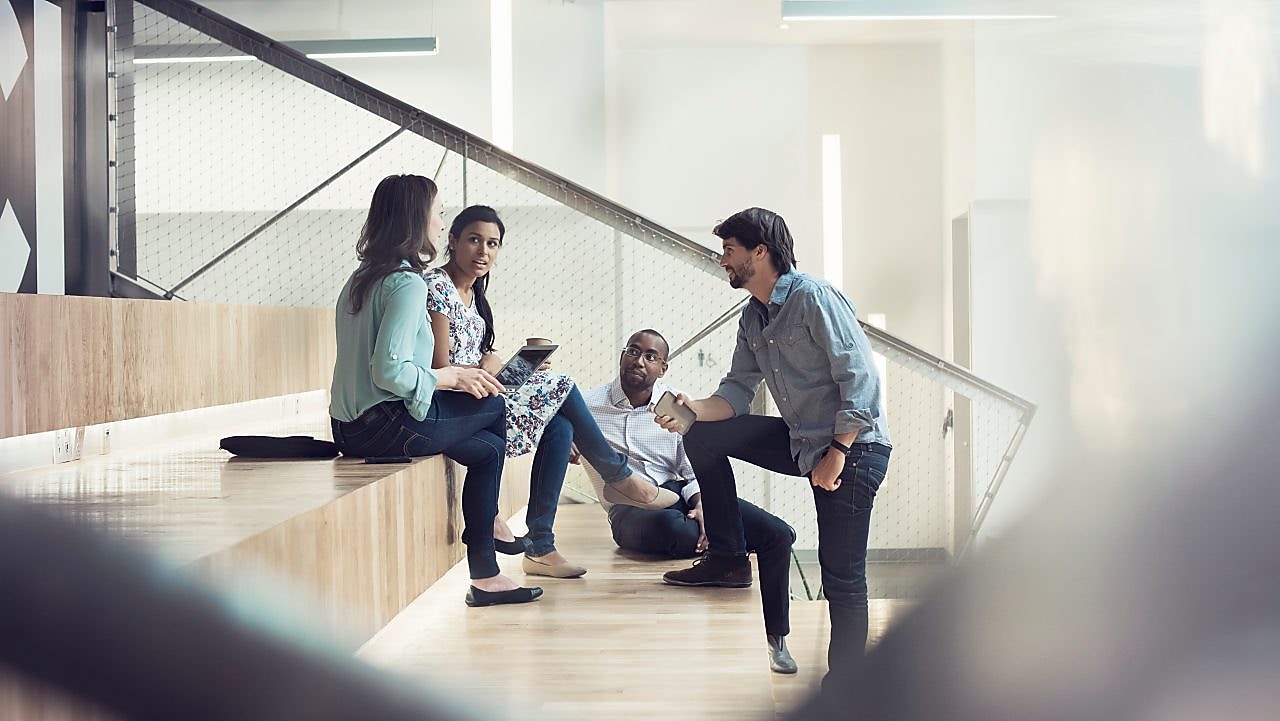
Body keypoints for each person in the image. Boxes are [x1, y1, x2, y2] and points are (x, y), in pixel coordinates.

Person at [657, 207, 892, 685]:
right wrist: (691, 407)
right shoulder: (753, 316)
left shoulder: (814, 298)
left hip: (855, 449)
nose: (722, 260)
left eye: (729, 251)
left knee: (842, 576)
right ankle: (727, 556)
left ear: (759, 252)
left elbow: (862, 380)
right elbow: (736, 394)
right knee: (698, 433)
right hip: (803, 441)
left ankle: (845, 691)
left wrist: (839, 453)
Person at [424, 205, 678, 579]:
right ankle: (621, 478)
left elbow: (478, 359)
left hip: (481, 395)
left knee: (561, 426)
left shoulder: (474, 295)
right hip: (451, 404)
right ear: (453, 240)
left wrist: (516, 368)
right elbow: (440, 367)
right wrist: (488, 368)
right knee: (563, 385)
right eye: (474, 240)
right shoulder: (437, 286)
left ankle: (541, 547)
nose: (483, 251)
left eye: (492, 244)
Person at [328, 175, 540, 608]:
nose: (441, 224)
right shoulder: (407, 284)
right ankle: (487, 552)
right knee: (495, 404)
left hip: (346, 427)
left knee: (485, 449)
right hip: (385, 427)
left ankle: (487, 566)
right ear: (416, 218)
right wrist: (451, 378)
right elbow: (389, 371)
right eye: (439, 213)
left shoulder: (361, 278)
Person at [582, 328, 799, 674]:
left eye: (651, 356)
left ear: (663, 369)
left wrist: (701, 505)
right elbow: (560, 438)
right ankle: (725, 556)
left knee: (780, 534)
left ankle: (777, 640)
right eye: (633, 352)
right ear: (622, 356)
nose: (639, 360)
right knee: (674, 528)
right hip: (631, 509)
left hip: (680, 495)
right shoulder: (589, 406)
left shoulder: (673, 411)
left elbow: (690, 468)